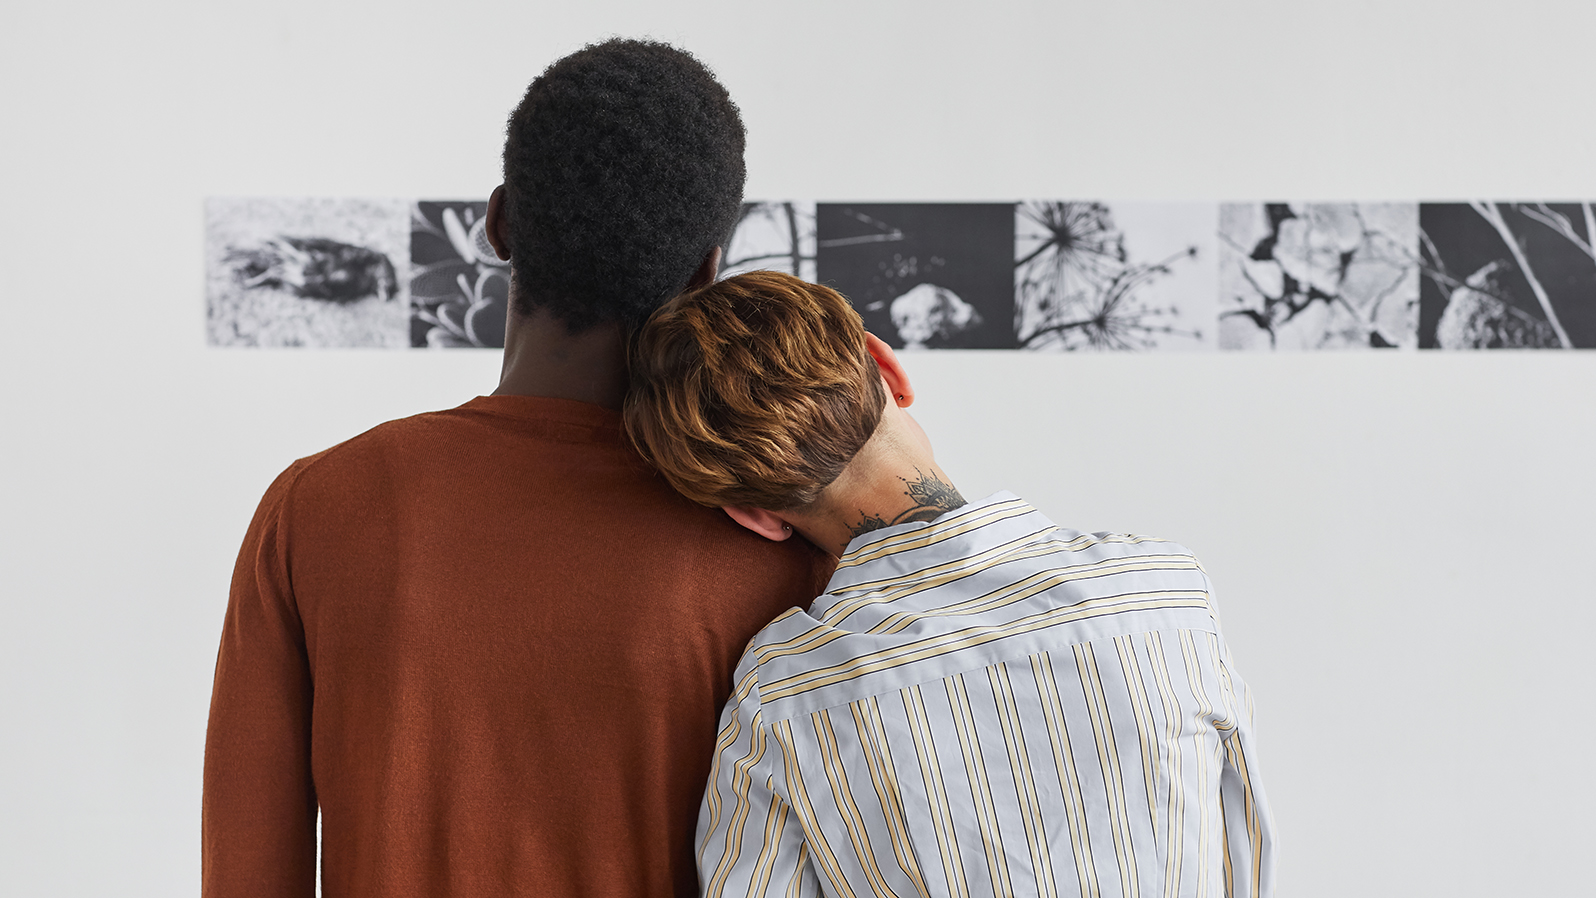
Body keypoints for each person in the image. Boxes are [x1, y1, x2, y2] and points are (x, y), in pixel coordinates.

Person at [202, 41, 834, 898]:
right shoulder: (790, 544)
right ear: (706, 269)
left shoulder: (316, 507)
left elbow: (247, 873)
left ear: (499, 223)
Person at [625, 270, 1278, 898]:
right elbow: (1240, 848)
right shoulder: (1163, 592)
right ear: (890, 368)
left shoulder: (784, 691)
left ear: (754, 516)